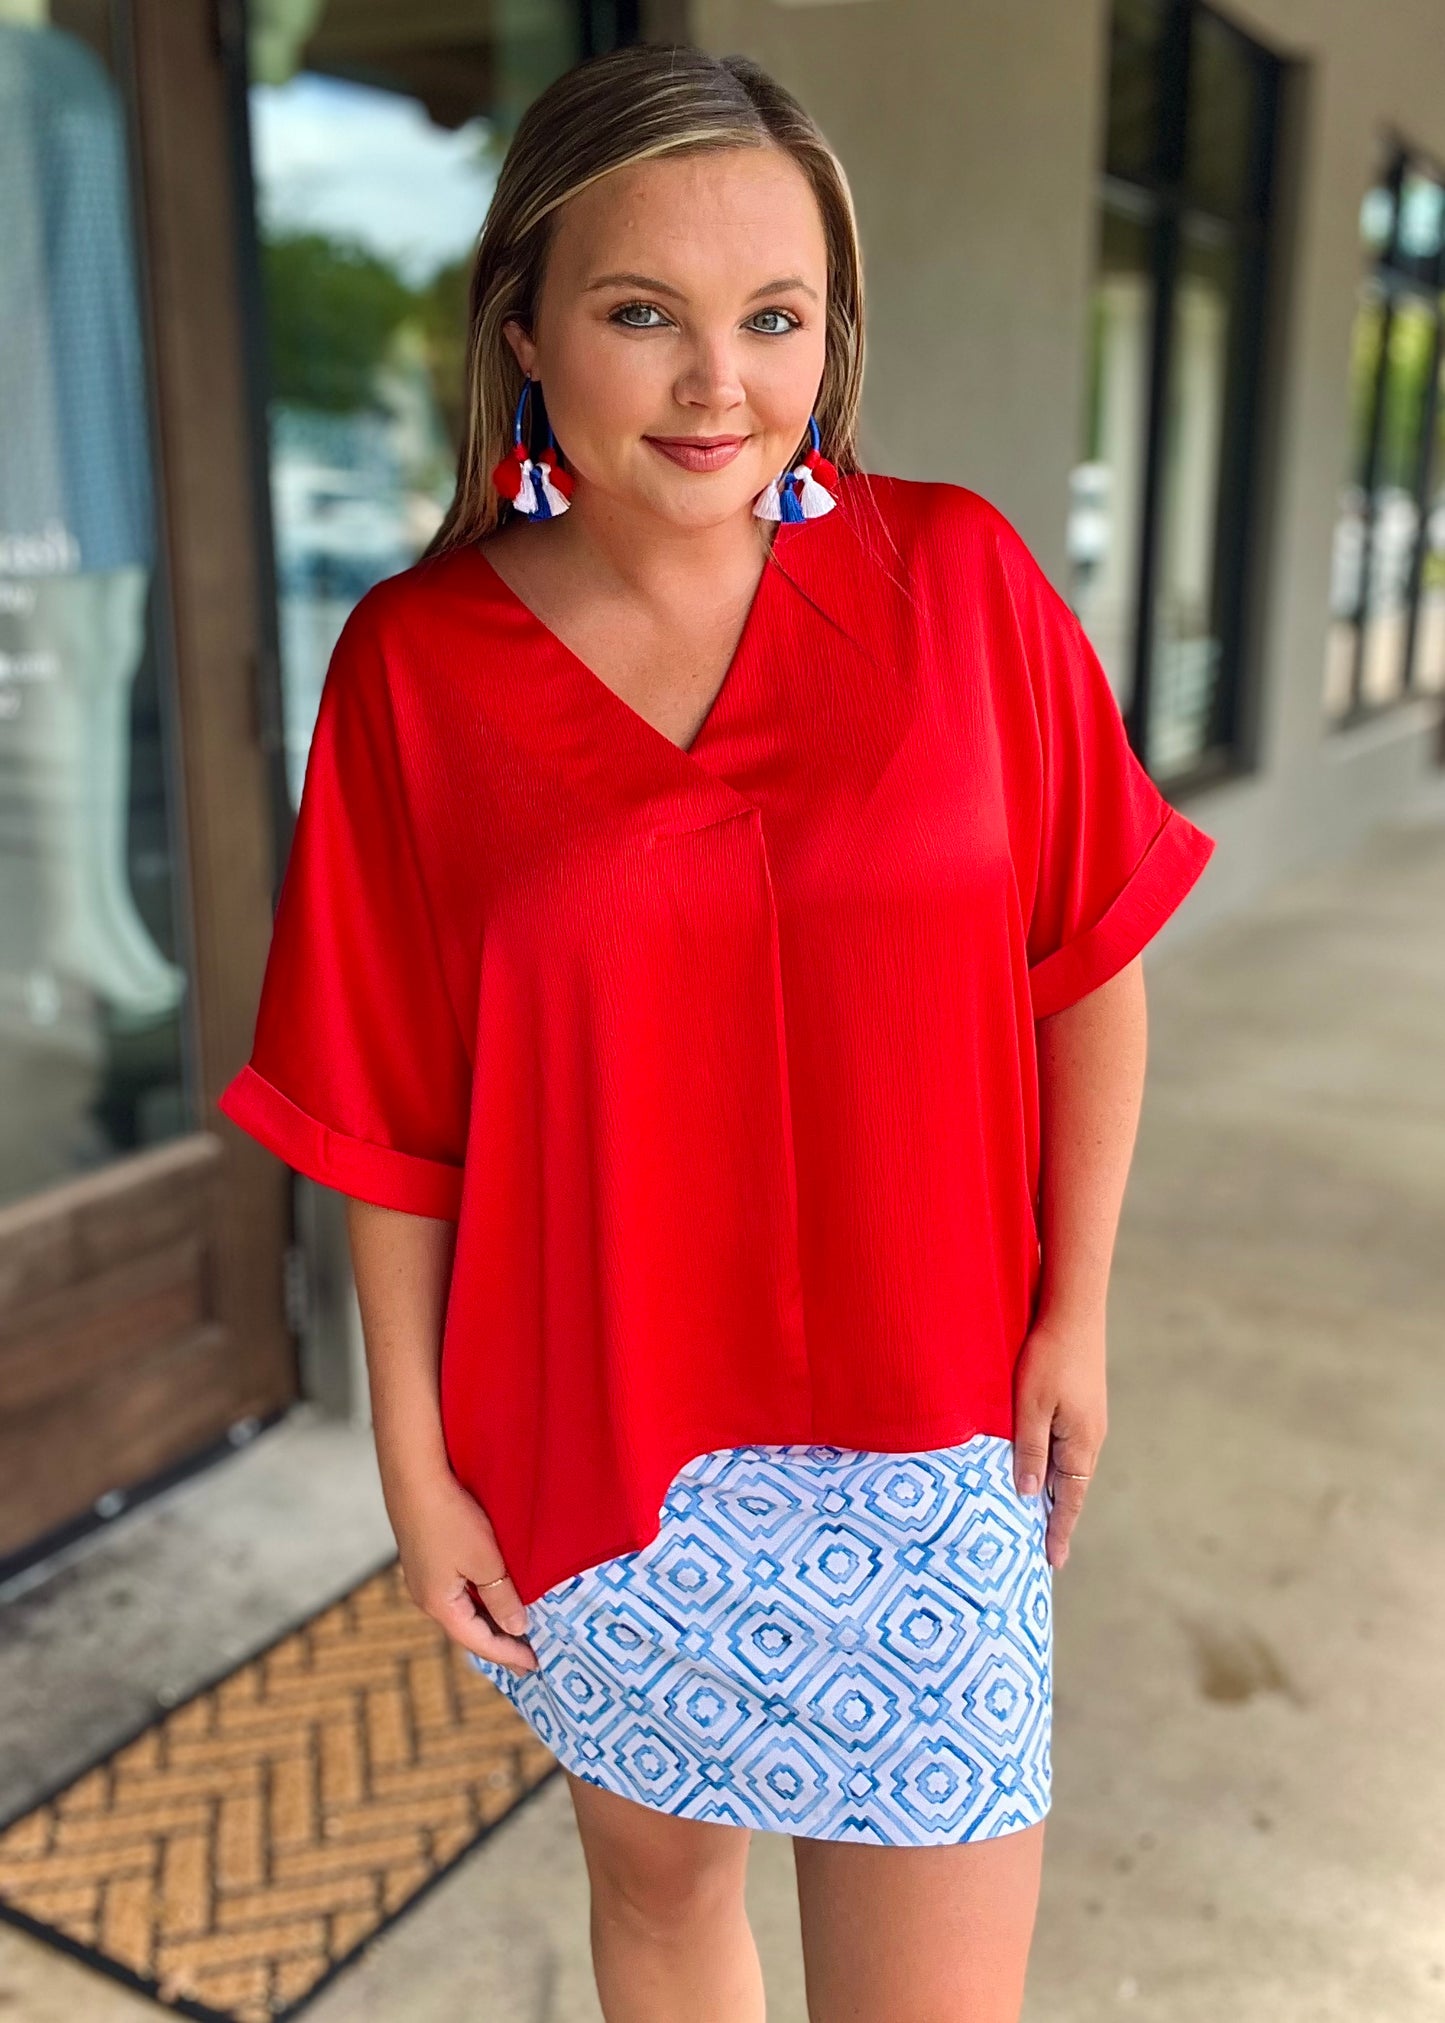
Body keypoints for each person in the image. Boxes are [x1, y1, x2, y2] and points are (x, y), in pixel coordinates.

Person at [219, 40, 1216, 2023]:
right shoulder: (414, 671)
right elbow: (391, 1118)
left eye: (774, 318)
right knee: (664, 1917)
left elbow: (1087, 951)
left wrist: (1075, 1307)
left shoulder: (961, 585)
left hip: (939, 1436)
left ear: (833, 333)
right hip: (603, 1450)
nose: (717, 386)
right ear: (522, 324)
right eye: (639, 314)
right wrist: (420, 1467)